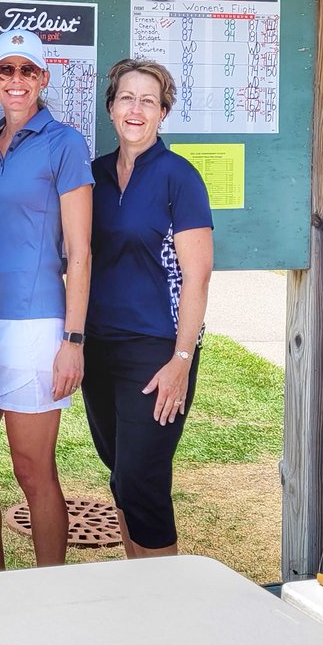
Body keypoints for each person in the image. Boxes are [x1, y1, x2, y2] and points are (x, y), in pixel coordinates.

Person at [0, 28, 93, 571]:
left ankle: (48, 589)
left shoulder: (65, 143)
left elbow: (80, 251)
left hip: (37, 327)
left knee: (33, 470)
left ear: (43, 79)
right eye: (5, 70)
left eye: (26, 71)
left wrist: (73, 340)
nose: (16, 80)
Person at [82, 59, 213, 558]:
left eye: (148, 101)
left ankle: (166, 604)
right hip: (100, 346)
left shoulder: (179, 177)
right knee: (119, 471)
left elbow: (197, 278)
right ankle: (136, 586)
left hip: (157, 349)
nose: (135, 109)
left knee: (144, 480)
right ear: (111, 107)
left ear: (162, 112)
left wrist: (181, 360)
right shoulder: (94, 174)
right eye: (126, 98)